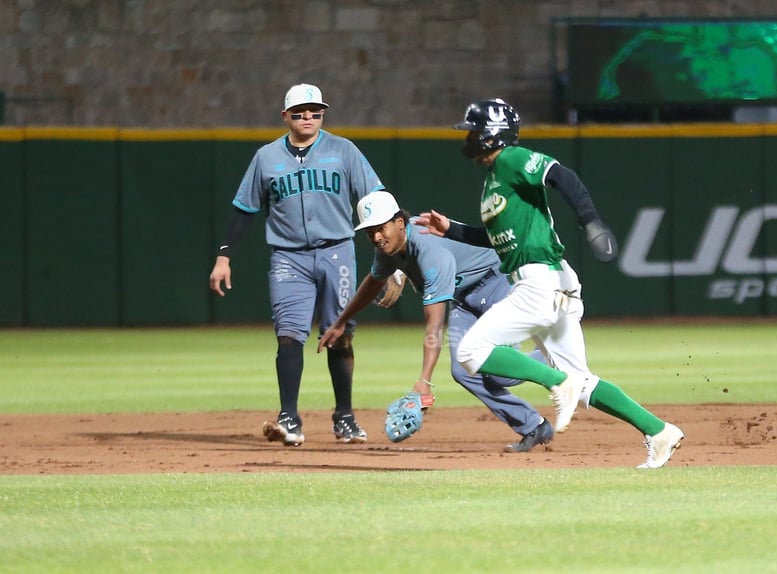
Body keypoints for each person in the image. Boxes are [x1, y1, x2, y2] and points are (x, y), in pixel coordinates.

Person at [414, 98, 684, 468]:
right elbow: (497, 238)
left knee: (471, 352)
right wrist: (453, 230)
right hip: (551, 283)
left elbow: (561, 175)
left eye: (475, 132)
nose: (469, 139)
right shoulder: (495, 179)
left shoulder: (510, 159)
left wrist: (591, 221)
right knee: (582, 382)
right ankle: (659, 431)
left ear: (492, 135)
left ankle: (555, 382)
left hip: (538, 281)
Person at [209, 83, 387, 447]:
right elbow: (244, 210)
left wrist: (394, 255)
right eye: (300, 111)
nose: (308, 117)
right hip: (289, 257)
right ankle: (289, 416)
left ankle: (345, 417)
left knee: (340, 333)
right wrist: (224, 256)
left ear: (323, 114)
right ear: (285, 115)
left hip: (337, 251)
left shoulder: (343, 150)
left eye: (315, 111)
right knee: (289, 335)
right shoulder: (267, 157)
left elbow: (376, 197)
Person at [318, 190, 556, 452]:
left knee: (499, 375)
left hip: (499, 284)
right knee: (464, 370)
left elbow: (434, 326)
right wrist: (341, 321)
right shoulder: (388, 248)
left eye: (381, 228)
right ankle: (534, 426)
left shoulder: (430, 251)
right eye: (369, 231)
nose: (376, 237)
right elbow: (372, 283)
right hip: (465, 298)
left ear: (399, 223)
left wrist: (424, 382)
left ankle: (554, 360)